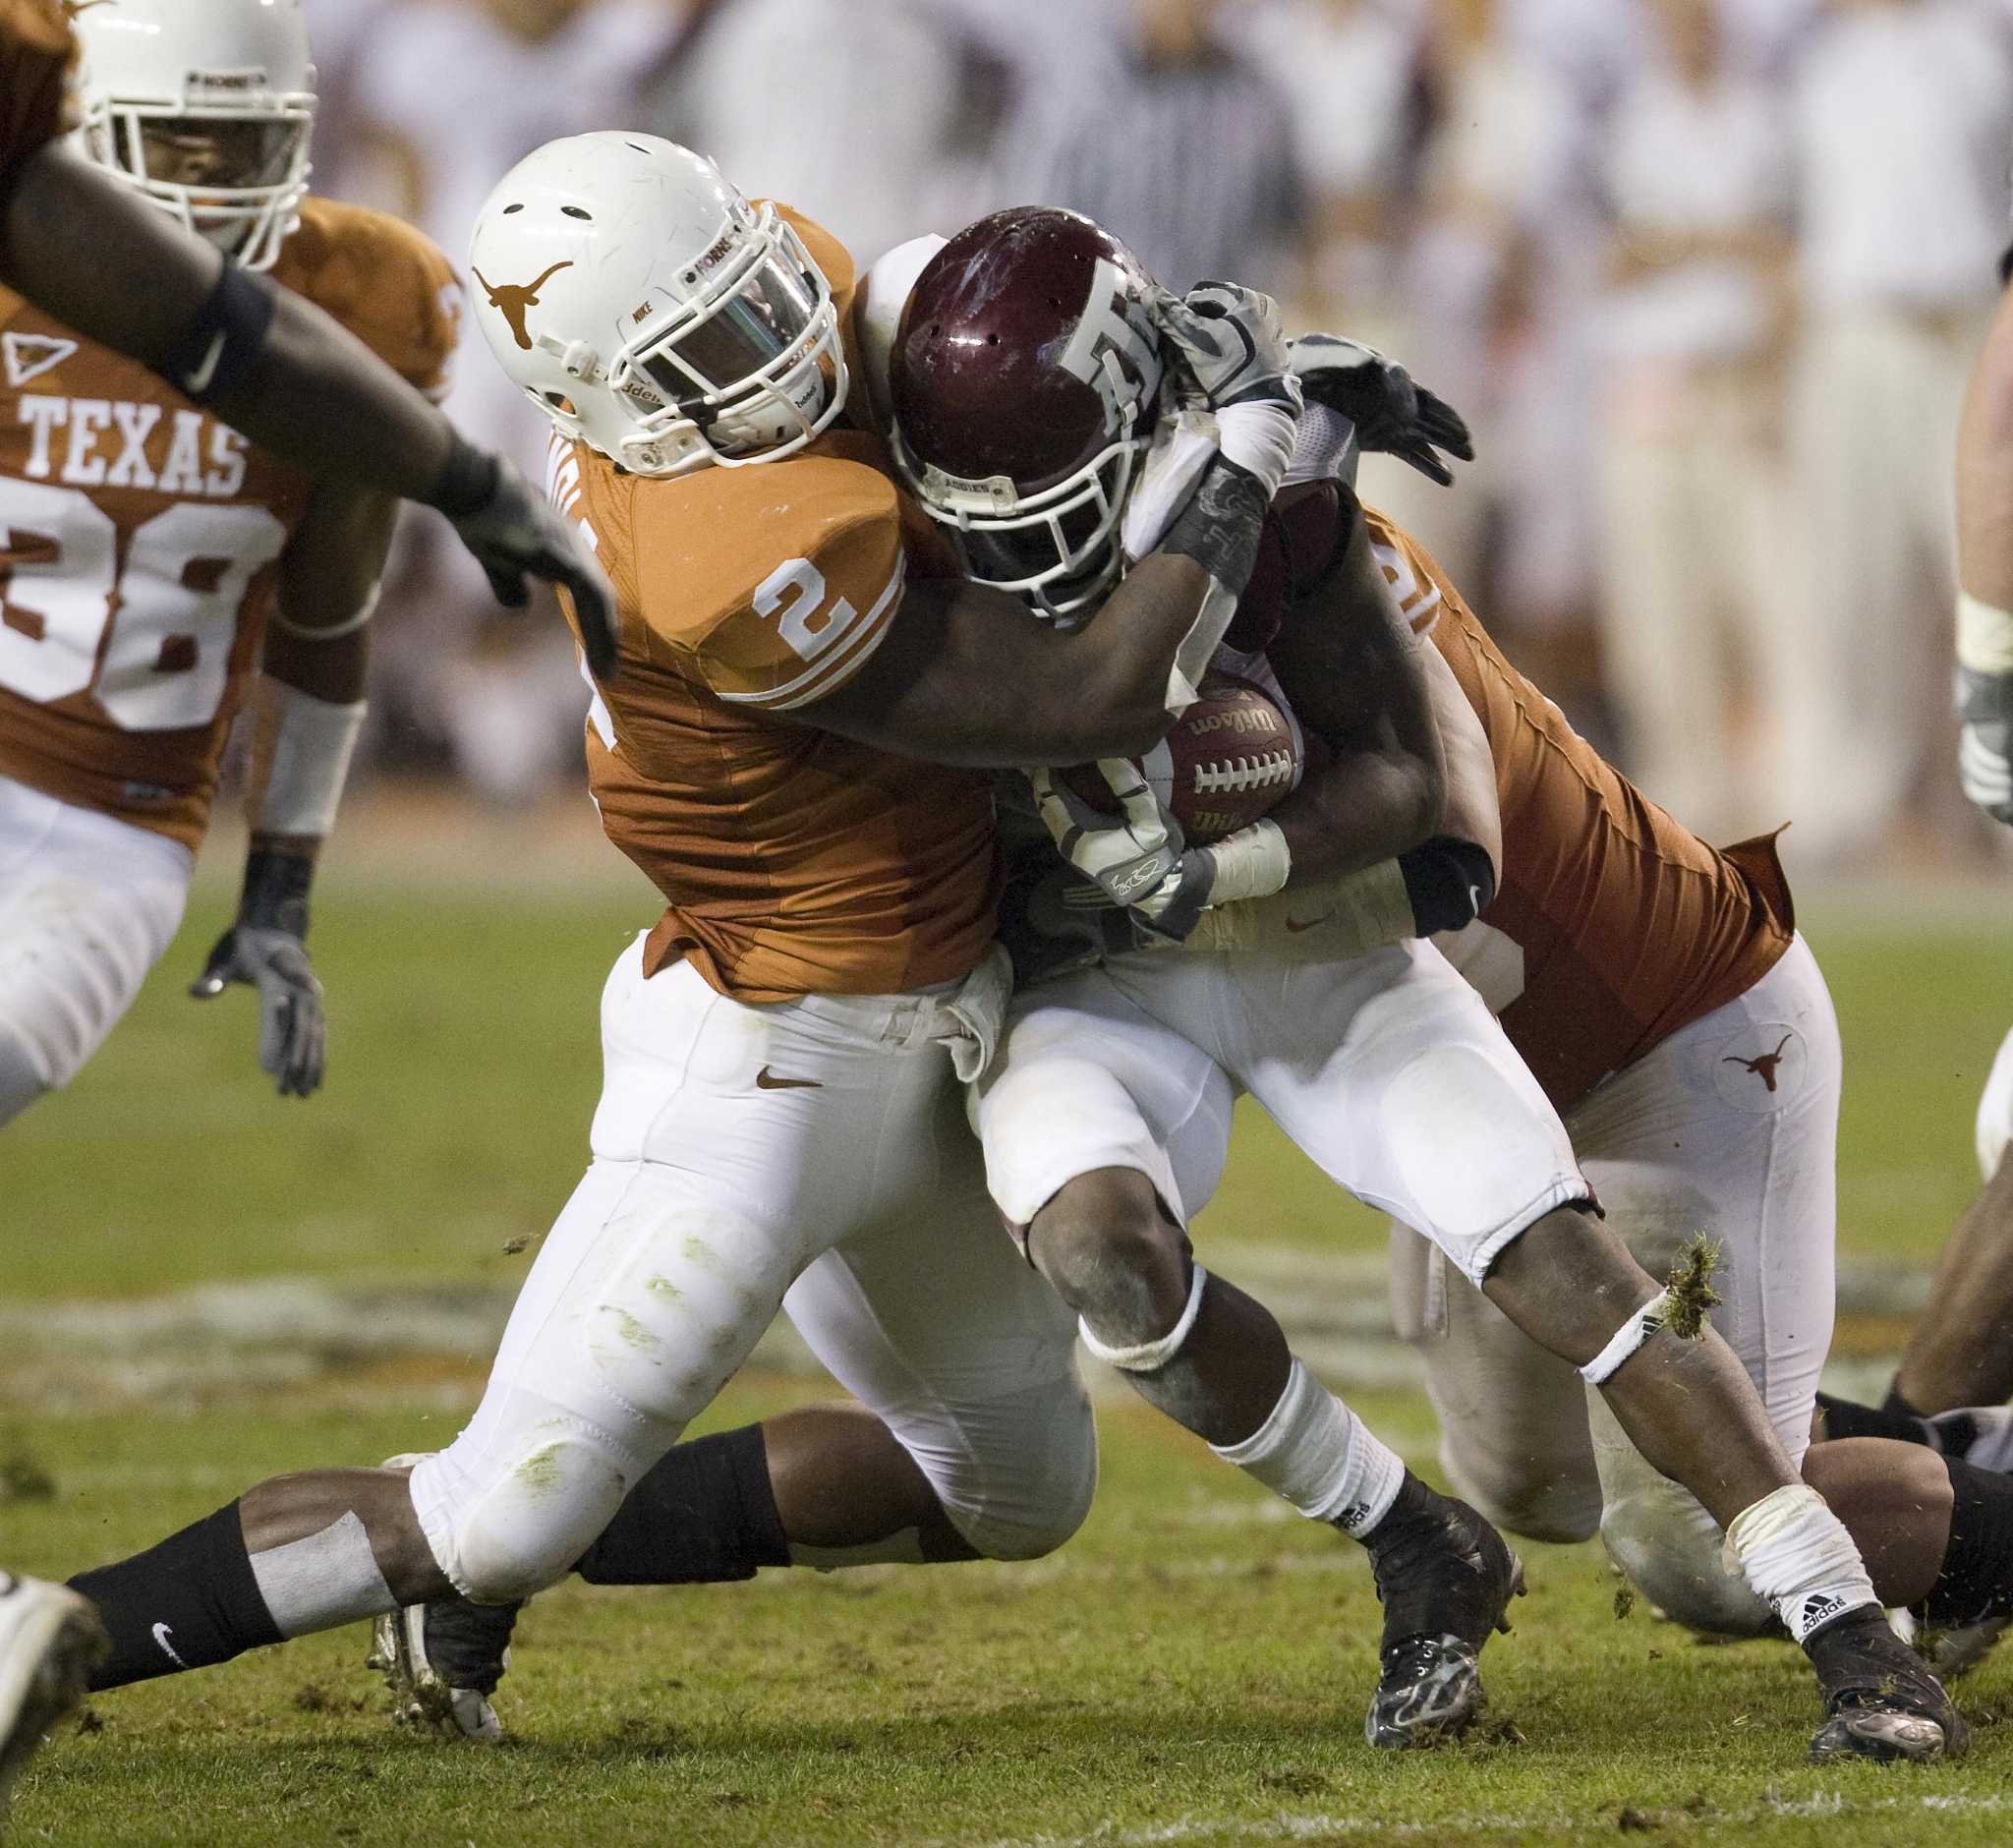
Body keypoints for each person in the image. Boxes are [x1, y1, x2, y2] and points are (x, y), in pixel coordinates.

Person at [47, 135, 1319, 1775]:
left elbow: (881, 313)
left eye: (750, 306)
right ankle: (60, 1627)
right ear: (600, 401)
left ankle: (482, 1553)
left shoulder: (729, 283)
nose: (769, 356)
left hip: (938, 1025)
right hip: (771, 1056)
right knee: (501, 1511)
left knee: (1020, 1495)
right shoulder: (720, 557)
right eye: (707, 359)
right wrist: (1238, 454)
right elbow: (1082, 698)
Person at [0, 0, 605, 1807]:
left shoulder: (368, 295)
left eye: (240, 150)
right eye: (172, 155)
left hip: (107, 829)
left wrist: (280, 888)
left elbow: (330, 609)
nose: (209, 194)